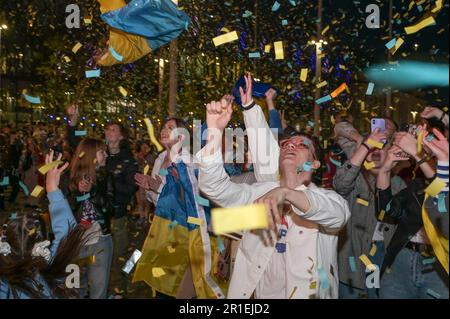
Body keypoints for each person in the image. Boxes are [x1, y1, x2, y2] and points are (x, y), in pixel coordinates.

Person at [197, 74, 350, 299]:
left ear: (315, 162)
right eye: (287, 144)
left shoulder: (327, 199)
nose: (291, 145)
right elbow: (216, 188)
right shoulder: (260, 192)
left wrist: (286, 193)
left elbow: (339, 215)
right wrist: (214, 134)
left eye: (302, 145)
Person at [133, 117, 225, 298]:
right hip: (161, 229)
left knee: (174, 286)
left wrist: (157, 186)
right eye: (163, 127)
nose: (164, 130)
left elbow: (196, 201)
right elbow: (158, 199)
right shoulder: (160, 159)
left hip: (182, 232)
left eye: (171, 128)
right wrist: (150, 187)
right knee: (160, 283)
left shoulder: (189, 162)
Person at [333, 123, 406, 299]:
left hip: (382, 259)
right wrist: (363, 142)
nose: (375, 151)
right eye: (372, 148)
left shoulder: (399, 185)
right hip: (352, 260)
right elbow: (340, 184)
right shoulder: (355, 176)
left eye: (382, 147)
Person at [0, 151, 86, 299]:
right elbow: (67, 232)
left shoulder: (4, 284)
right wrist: (52, 189)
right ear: (42, 246)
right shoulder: (52, 268)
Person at [377, 127, 448, 299]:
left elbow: (441, 197)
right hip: (402, 258)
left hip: (437, 266)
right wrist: (385, 170)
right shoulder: (417, 185)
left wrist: (418, 156)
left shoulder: (442, 185)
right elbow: (387, 209)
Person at [63, 138, 113, 299]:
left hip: (100, 241)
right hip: (73, 243)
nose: (106, 155)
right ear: (90, 154)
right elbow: (60, 212)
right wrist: (78, 194)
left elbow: (110, 208)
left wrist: (92, 192)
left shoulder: (105, 176)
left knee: (99, 291)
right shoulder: (67, 178)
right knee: (74, 290)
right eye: (102, 152)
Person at [104, 122, 139, 298]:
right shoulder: (100, 154)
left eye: (114, 129)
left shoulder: (127, 159)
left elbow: (132, 188)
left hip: (119, 215)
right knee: (102, 255)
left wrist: (111, 180)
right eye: (107, 129)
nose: (109, 132)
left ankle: (120, 289)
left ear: (121, 136)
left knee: (120, 254)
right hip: (100, 216)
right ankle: (104, 287)